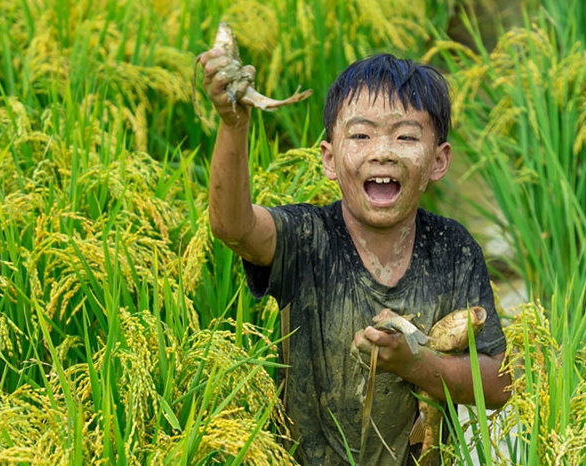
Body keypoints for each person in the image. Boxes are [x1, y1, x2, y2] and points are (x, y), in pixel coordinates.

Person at [198, 49, 511, 465]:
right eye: (362, 135)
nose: (383, 152)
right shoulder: (307, 239)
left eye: (406, 137)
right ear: (329, 158)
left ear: (439, 160)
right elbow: (233, 227)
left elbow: (500, 385)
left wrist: (415, 364)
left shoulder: (453, 250)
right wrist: (233, 125)